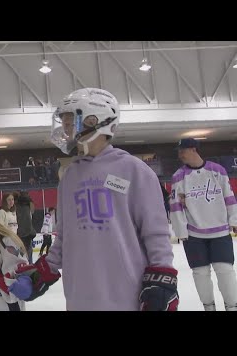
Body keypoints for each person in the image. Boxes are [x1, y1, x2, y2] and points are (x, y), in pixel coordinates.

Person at [40, 87, 178, 311]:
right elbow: (64, 235)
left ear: (95, 120)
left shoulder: (133, 170)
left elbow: (155, 231)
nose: (64, 128)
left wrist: (163, 275)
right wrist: (47, 268)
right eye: (63, 122)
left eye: (69, 121)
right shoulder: (69, 177)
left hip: (126, 295)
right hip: (79, 297)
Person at [170, 138, 237, 311]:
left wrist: (234, 220)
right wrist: (180, 230)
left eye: (182, 150)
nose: (180, 154)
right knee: (200, 274)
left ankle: (232, 306)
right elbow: (175, 205)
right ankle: (209, 307)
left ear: (193, 149)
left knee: (225, 272)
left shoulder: (217, 170)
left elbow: (229, 197)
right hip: (194, 235)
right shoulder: (179, 176)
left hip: (220, 232)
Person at [15, 191, 37, 263]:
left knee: (22, 255)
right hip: (27, 233)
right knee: (28, 255)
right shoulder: (28, 206)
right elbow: (33, 211)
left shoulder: (16, 207)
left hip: (20, 234)